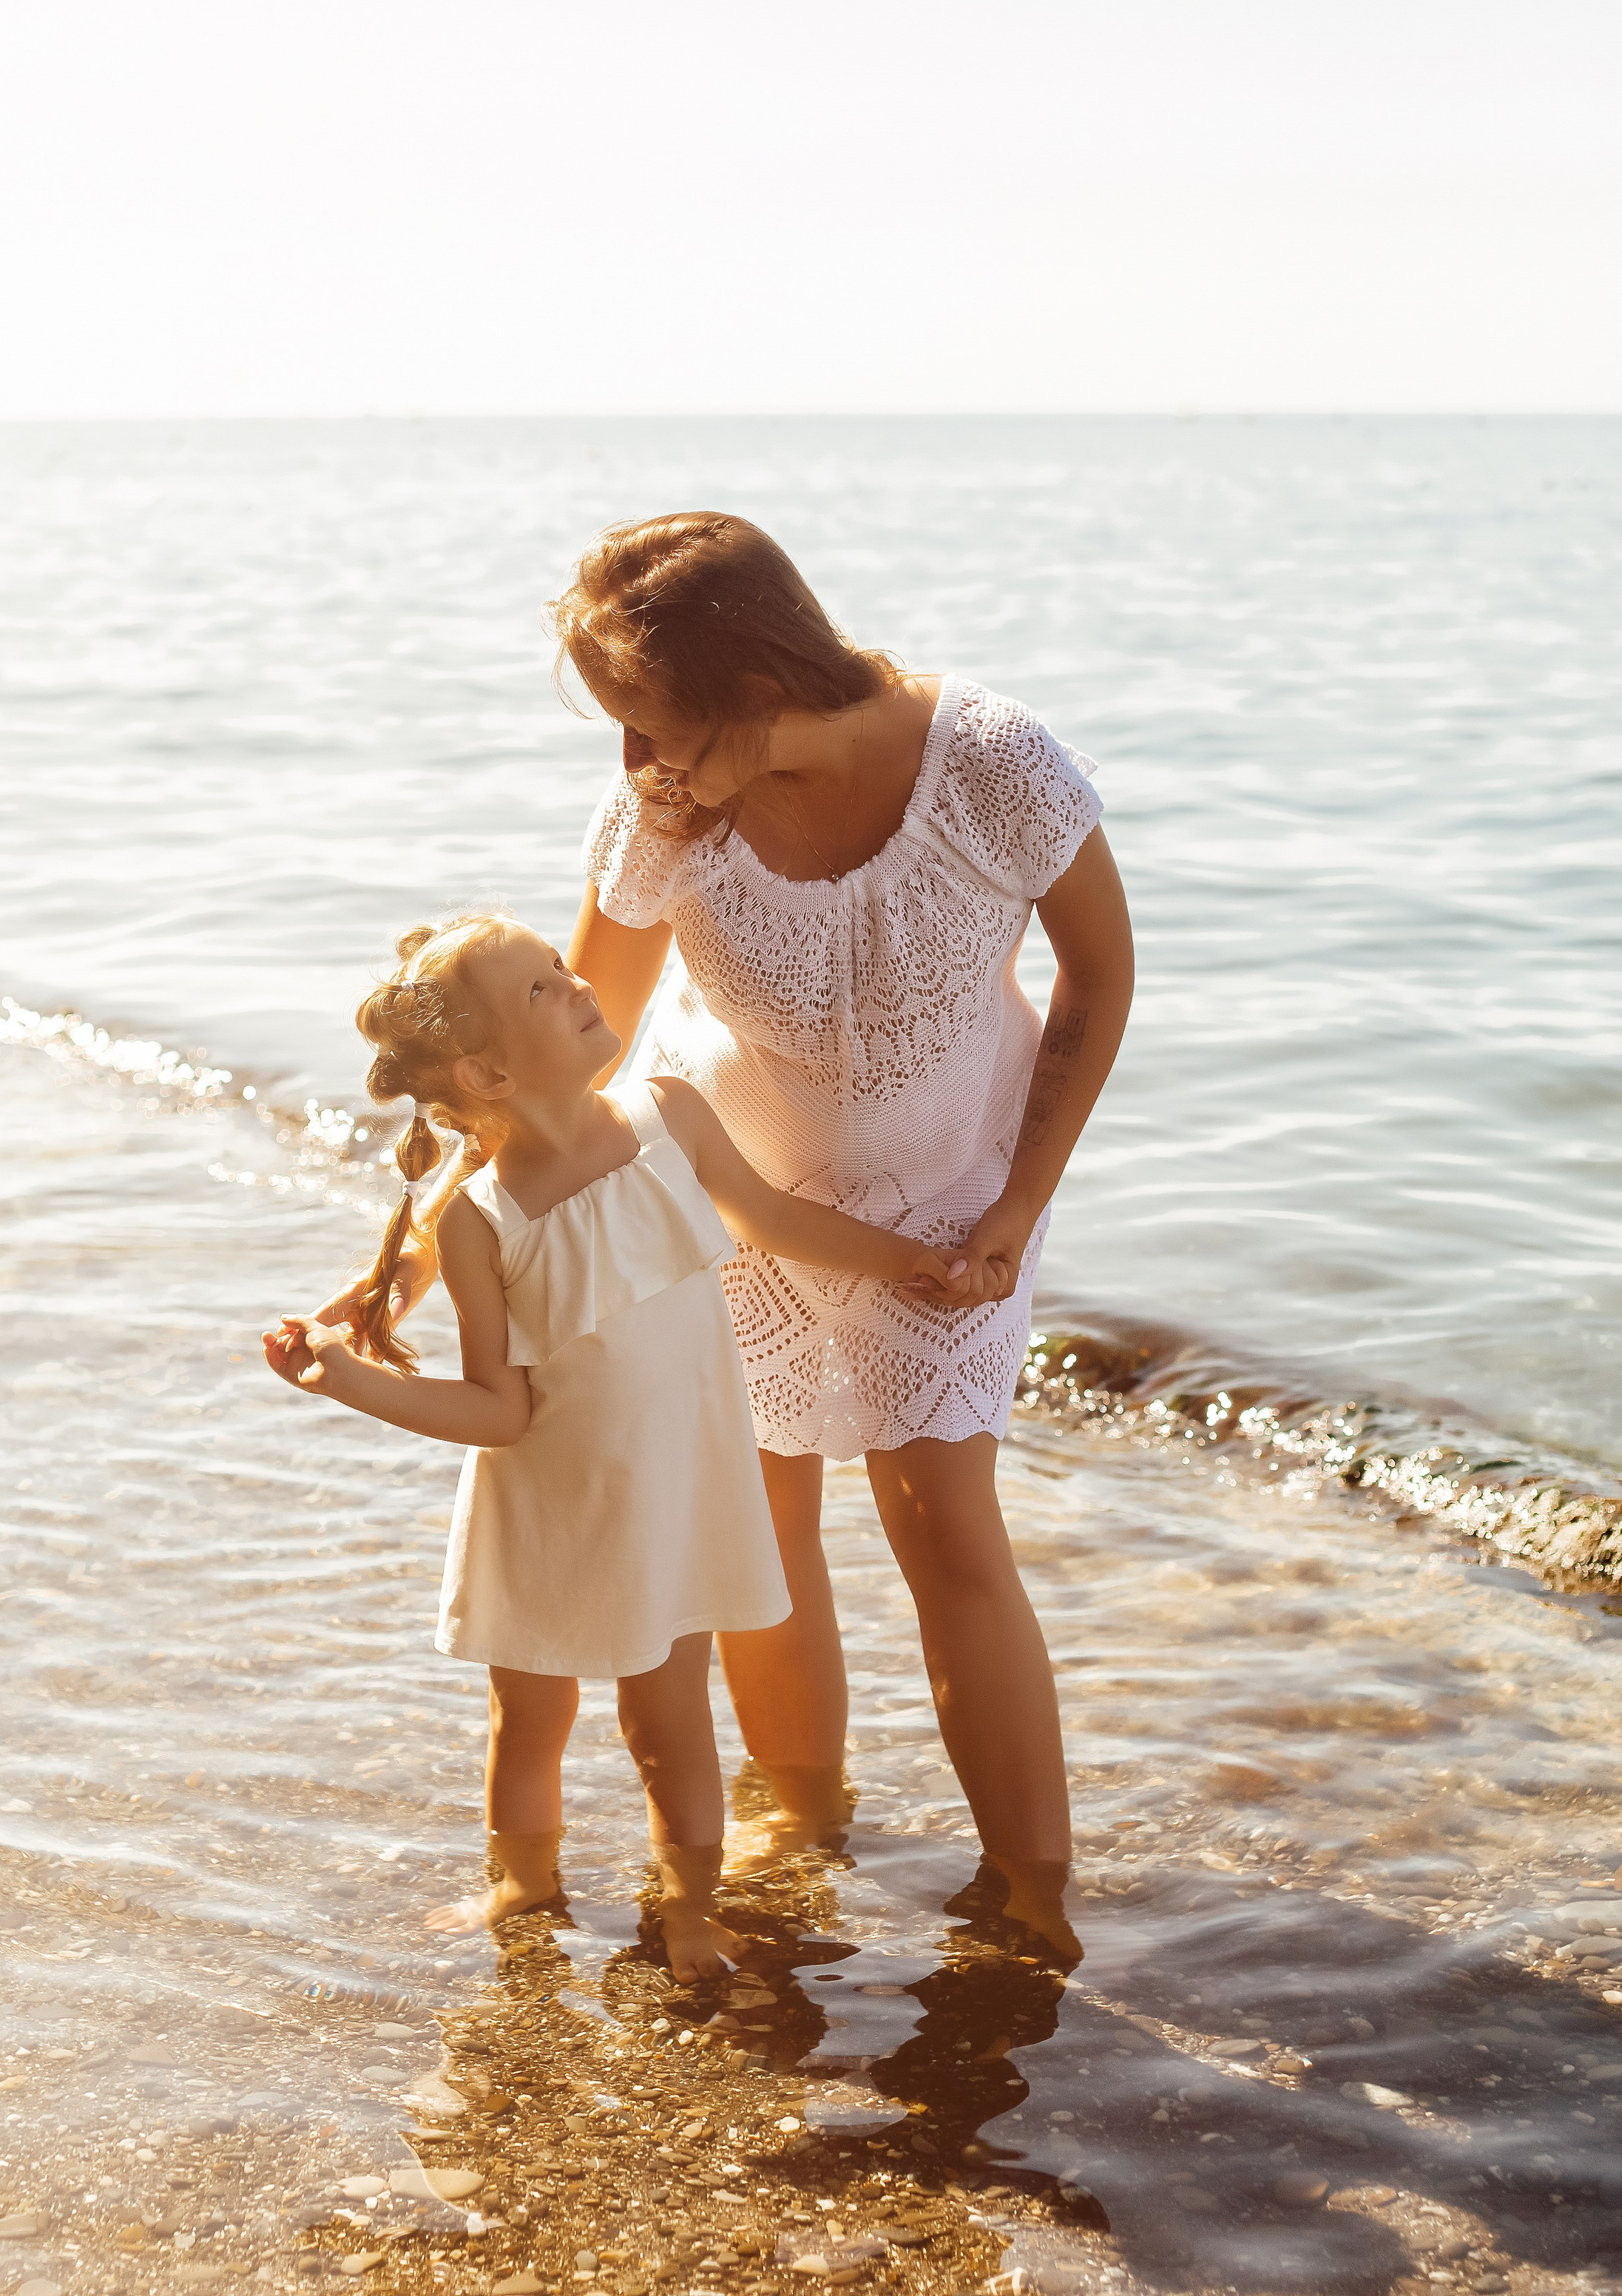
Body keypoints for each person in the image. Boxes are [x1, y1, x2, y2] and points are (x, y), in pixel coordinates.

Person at [320, 513, 1134, 1961]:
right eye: (617, 733)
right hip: (718, 1191)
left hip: (948, 1198)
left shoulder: (990, 763)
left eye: (653, 725)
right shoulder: (662, 812)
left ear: (753, 684)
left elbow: (1096, 972)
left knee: (942, 1520)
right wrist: (408, 1240)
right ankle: (801, 1826)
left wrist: (1017, 1203)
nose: (636, 768)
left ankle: (1028, 1902)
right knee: (753, 1518)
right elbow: (584, 1037)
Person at [264, 910, 979, 1979]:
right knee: (530, 1712)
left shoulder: (670, 1118)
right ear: (487, 1069)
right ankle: (524, 1882)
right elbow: (499, 1410)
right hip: (542, 1504)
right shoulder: (479, 1223)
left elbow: (777, 1219)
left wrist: (909, 1258)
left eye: (559, 963)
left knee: (668, 1711)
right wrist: (355, 1381)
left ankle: (690, 1908)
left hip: (671, 1491)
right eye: (542, 987)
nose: (576, 979)